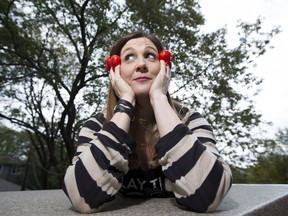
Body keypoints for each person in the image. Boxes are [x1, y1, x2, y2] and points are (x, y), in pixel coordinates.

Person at [62, 31, 232, 213]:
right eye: (129, 57)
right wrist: (125, 103)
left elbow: (210, 195)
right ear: (115, 71)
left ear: (164, 67)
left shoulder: (191, 120)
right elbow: (81, 197)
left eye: (150, 55)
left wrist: (159, 97)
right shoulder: (96, 126)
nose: (141, 64)